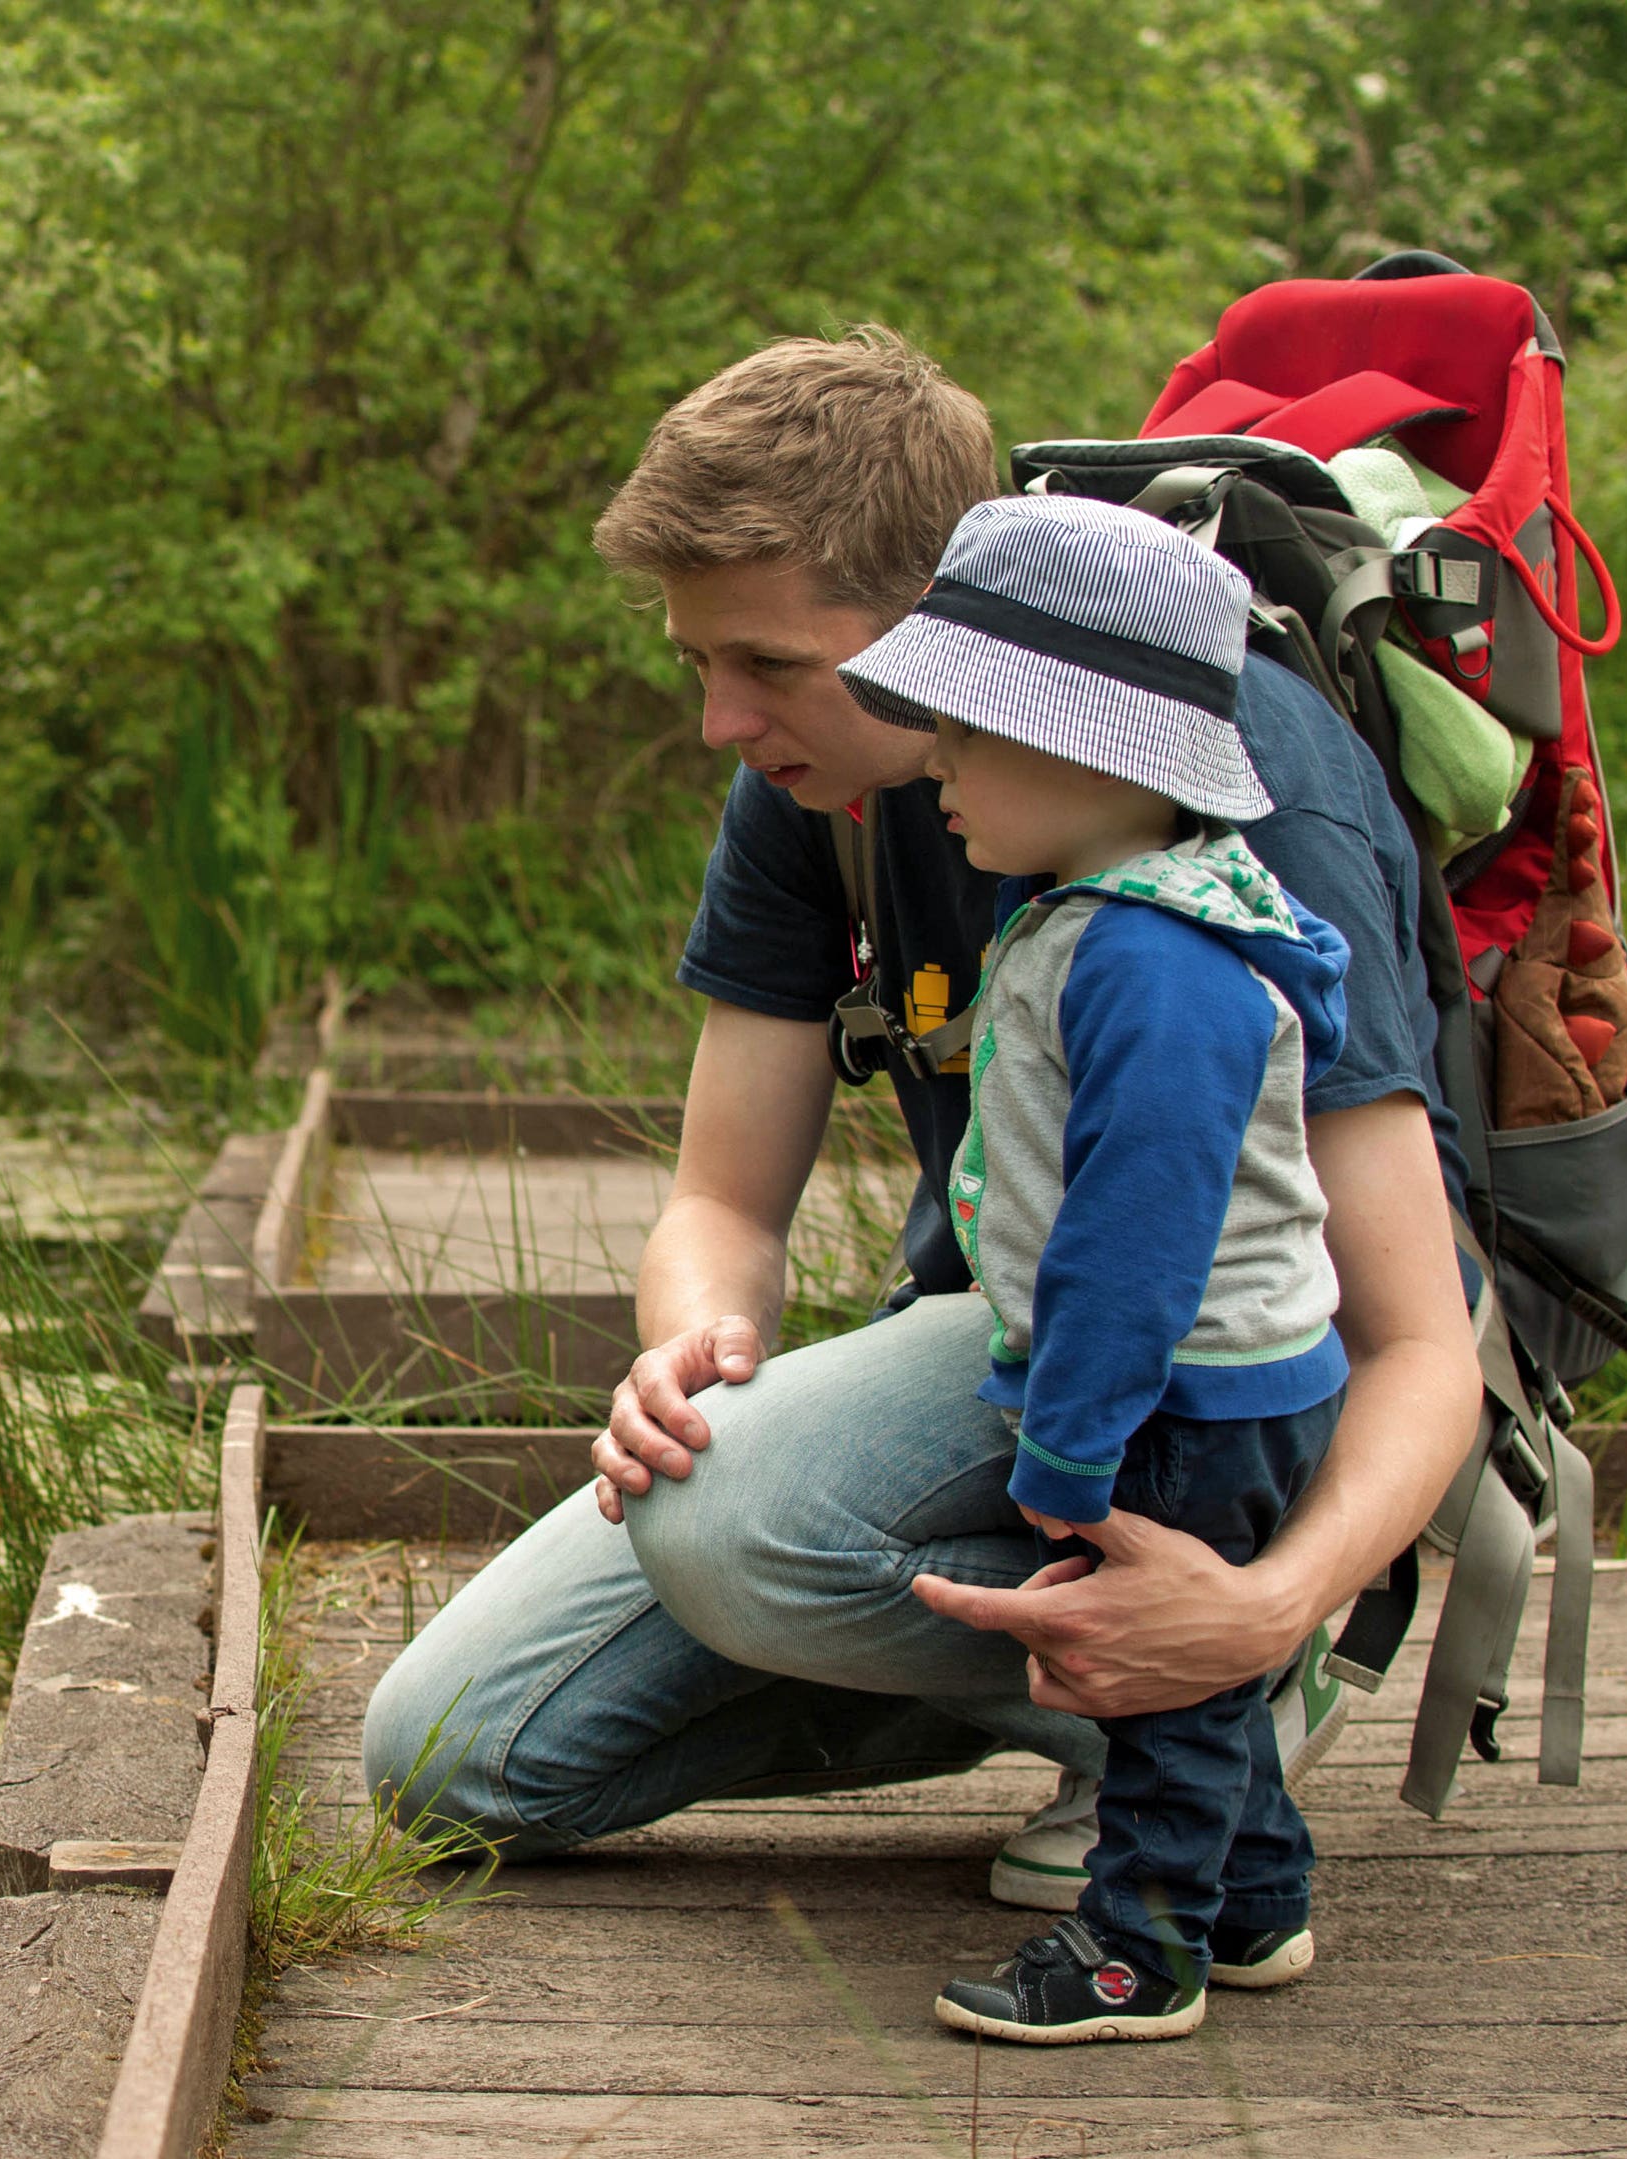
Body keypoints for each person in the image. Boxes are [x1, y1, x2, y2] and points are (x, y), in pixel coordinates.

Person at [359, 330, 1480, 1927]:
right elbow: (724, 1205)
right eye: (697, 666)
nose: (719, 722)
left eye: (765, 663)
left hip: (1248, 1394)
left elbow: (1420, 1342)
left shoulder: (1234, 789)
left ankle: (1220, 1698)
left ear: (942, 622)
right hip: (1019, 1337)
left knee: (738, 1525)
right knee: (451, 1758)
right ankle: (1086, 1684)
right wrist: (693, 1358)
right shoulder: (814, 790)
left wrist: (1266, 1604)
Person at [833, 495, 1351, 2042]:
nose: (931, 766)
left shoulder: (1153, 961)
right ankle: (1254, 1905)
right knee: (1189, 1673)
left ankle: (1139, 1951)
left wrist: (1071, 1438)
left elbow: (1137, 1238)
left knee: (1156, 1677)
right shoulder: (1087, 915)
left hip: (1188, 1385)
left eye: (966, 735)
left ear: (1095, 752)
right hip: (1198, 1375)